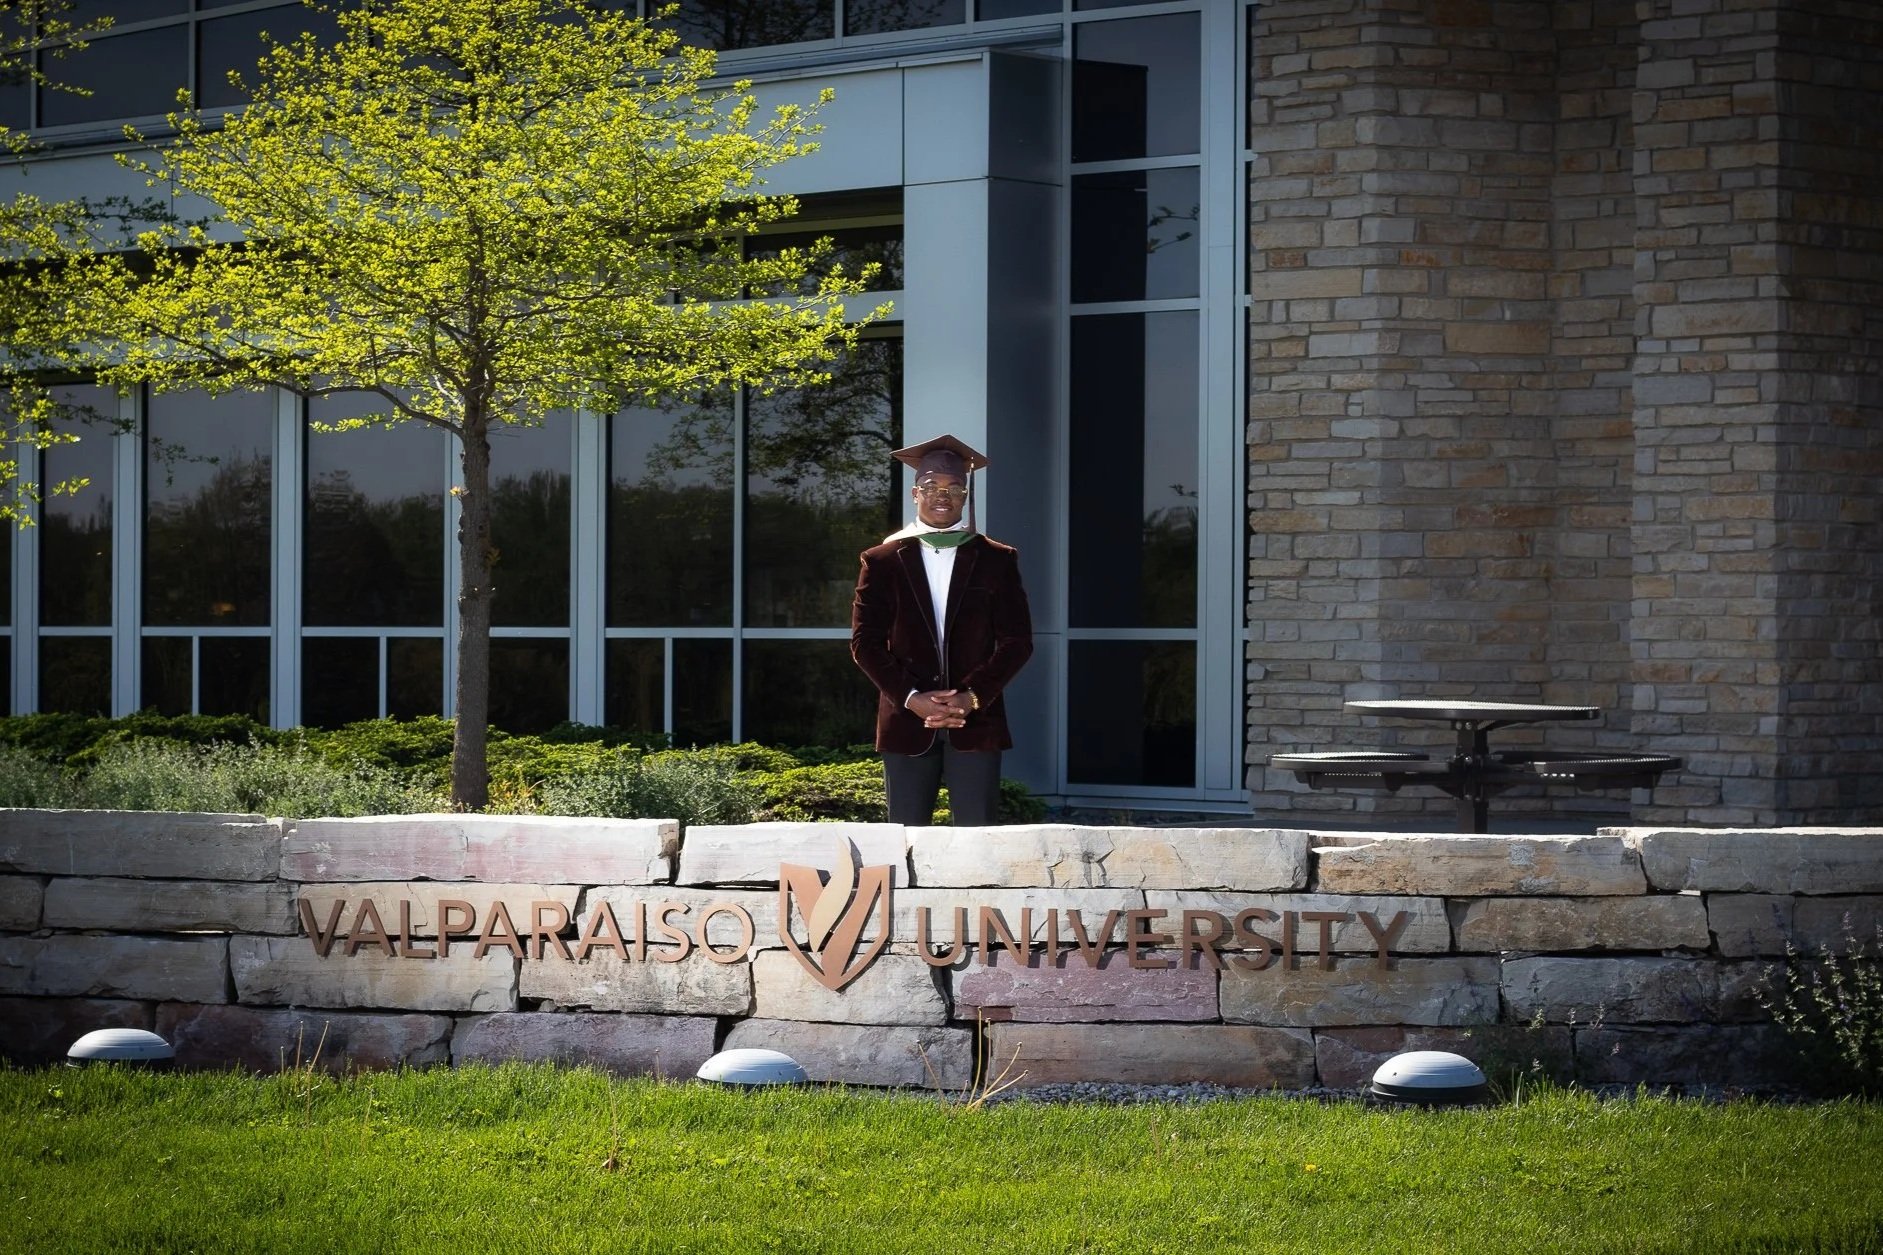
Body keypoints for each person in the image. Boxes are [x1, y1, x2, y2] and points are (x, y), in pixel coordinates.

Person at [850, 434, 1033, 826]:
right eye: (931, 487)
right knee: (906, 840)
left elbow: (1017, 642)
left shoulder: (996, 559)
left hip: (976, 722)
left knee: (978, 841)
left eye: (954, 488)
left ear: (965, 496)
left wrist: (972, 697)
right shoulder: (882, 560)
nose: (942, 496)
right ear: (916, 493)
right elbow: (865, 643)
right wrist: (912, 697)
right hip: (906, 721)